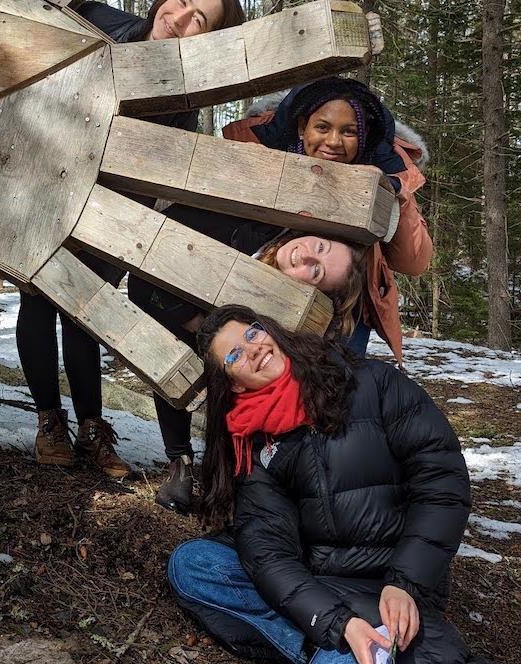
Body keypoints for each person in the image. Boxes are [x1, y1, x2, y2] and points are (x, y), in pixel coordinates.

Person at [167, 305, 521, 664]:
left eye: (254, 332)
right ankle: (358, 650)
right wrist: (340, 625)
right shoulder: (252, 441)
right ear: (232, 382)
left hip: (396, 584)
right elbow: (268, 553)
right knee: (195, 565)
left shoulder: (370, 382)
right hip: (329, 590)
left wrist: (406, 581)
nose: (255, 348)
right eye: (236, 353)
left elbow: (441, 479)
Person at [17, 0, 245, 479]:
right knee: (36, 300)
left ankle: (92, 429)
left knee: (85, 310)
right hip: (44, 188)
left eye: (198, 22)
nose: (179, 19)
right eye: (181, 3)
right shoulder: (100, 22)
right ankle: (48, 421)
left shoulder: (183, 106)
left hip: (107, 215)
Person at [130, 214, 366, 513]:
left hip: (238, 385)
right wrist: (192, 320)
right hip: (179, 327)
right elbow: (141, 281)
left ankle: (240, 475)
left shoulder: (288, 326)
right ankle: (181, 461)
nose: (305, 255)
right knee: (179, 355)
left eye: (316, 271)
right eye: (320, 247)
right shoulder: (246, 225)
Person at [223, 76, 433, 360]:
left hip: (345, 317)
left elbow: (413, 261)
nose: (333, 142)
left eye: (348, 132)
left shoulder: (380, 176)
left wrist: (395, 192)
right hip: (259, 295)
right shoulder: (265, 156)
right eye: (322, 127)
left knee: (333, 390)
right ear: (301, 127)